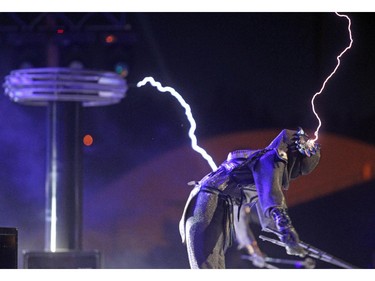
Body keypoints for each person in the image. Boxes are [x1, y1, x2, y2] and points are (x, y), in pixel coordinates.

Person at [179, 128, 321, 269]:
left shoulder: (262, 171)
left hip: (218, 204)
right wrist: (286, 229)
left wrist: (292, 241)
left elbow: (267, 217)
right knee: (207, 267)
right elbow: (270, 200)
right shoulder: (269, 159)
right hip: (208, 200)